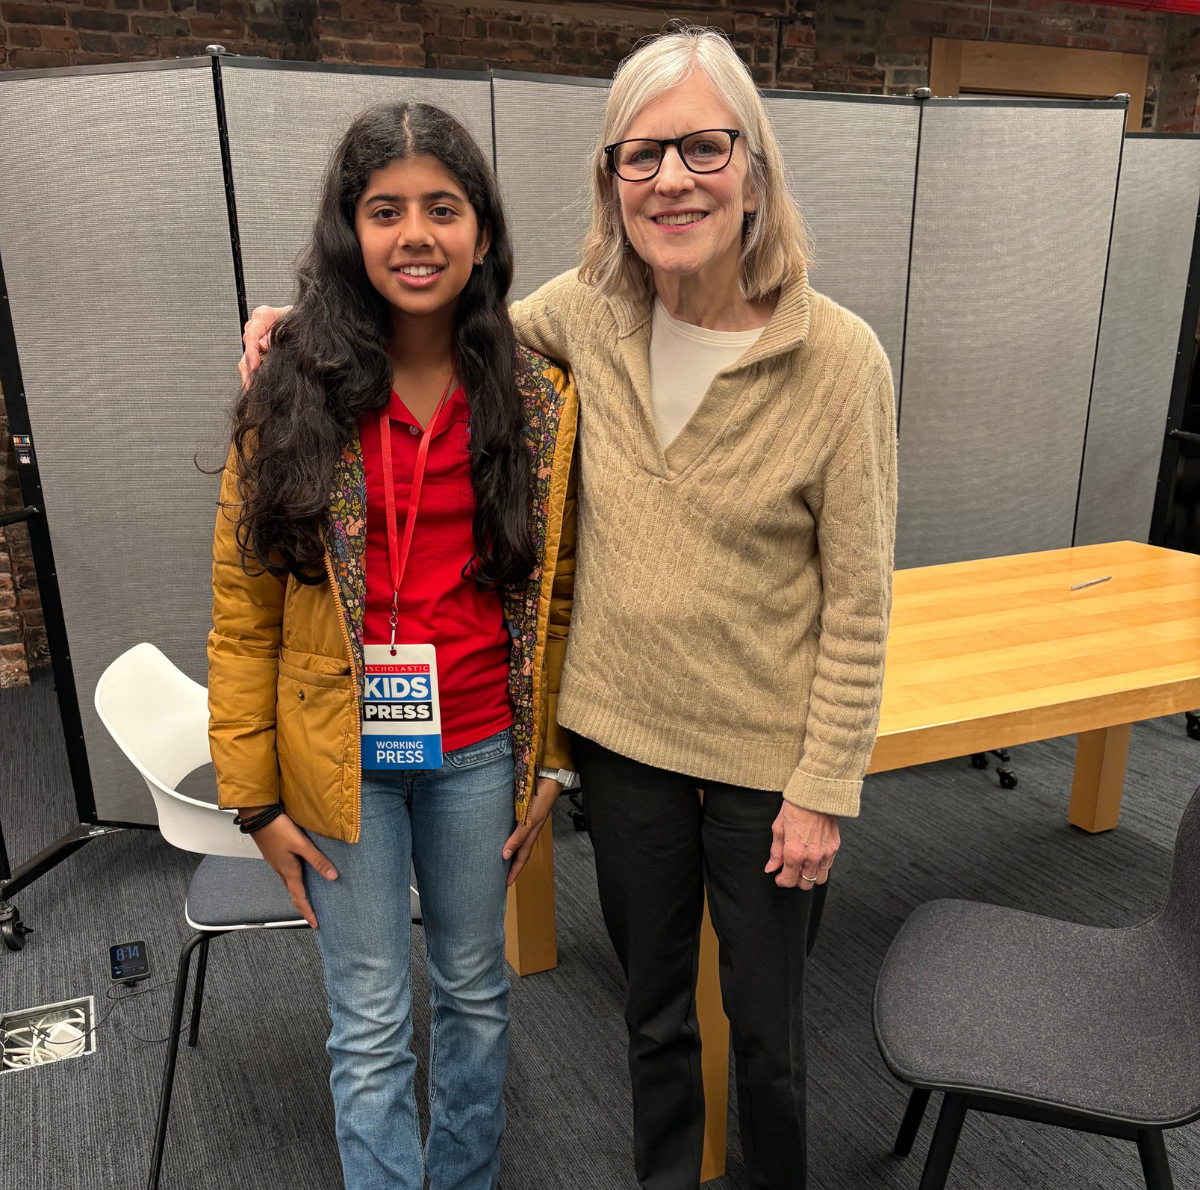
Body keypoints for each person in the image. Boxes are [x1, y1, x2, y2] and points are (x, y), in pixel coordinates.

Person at [240, 27, 896, 1190]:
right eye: (641, 155)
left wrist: (825, 786)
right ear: (612, 183)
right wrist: (292, 327)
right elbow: (437, 307)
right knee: (651, 1014)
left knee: (770, 1035)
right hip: (623, 744)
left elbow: (859, 602)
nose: (673, 179)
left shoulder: (840, 360)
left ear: (754, 171)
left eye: (704, 147)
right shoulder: (585, 319)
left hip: (764, 762)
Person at [208, 100, 577, 1190]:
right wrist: (253, 798)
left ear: (482, 230)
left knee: (475, 991)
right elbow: (244, 611)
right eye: (386, 210)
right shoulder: (290, 391)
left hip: (478, 750)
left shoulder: (534, 397)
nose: (416, 234)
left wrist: (551, 757)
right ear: (350, 229)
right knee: (369, 1017)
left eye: (442, 208)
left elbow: (556, 600)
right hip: (340, 759)